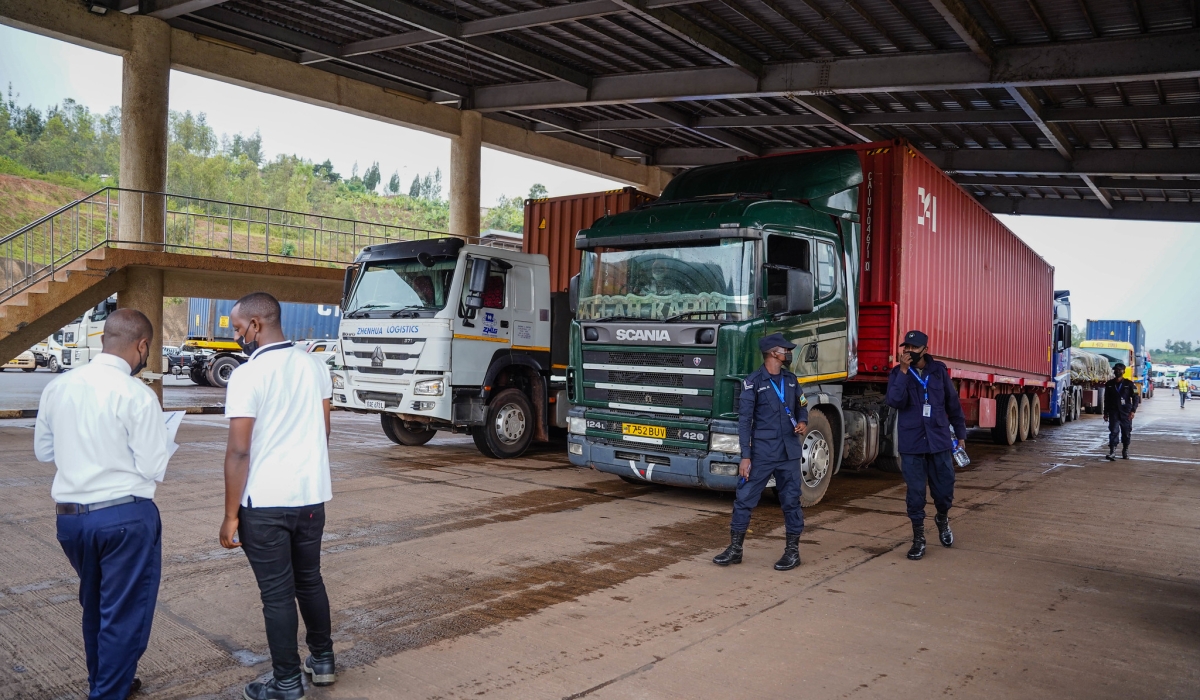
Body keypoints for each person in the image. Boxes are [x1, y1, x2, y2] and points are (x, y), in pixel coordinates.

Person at [34, 309, 170, 699]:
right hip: (125, 518)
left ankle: (108, 682)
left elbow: (45, 453)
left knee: (95, 606)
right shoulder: (137, 395)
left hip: (72, 520)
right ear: (142, 346)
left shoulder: (58, 387)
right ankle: (107, 692)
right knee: (124, 615)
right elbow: (152, 466)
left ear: (103, 339)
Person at [218, 292, 336, 700]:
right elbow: (323, 432)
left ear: (256, 324)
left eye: (238, 328)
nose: (237, 336)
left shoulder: (248, 374)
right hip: (310, 498)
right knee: (309, 580)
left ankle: (286, 682)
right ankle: (322, 661)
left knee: (277, 594)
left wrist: (230, 514)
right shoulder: (314, 365)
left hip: (265, 504)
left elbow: (238, 450)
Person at [712, 333, 808, 571]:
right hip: (762, 453)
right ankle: (735, 550)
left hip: (789, 453)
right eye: (785, 349)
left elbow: (802, 407)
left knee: (791, 501)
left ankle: (792, 552)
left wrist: (803, 421)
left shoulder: (792, 380)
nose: (788, 353)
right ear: (773, 353)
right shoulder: (753, 382)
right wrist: (745, 456)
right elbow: (744, 421)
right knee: (744, 500)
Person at [885, 330, 968, 561]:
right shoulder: (898, 373)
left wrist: (960, 434)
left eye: (913, 347)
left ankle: (942, 517)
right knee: (916, 494)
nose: (908, 351)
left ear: (925, 350)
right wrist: (902, 372)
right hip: (912, 444)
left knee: (944, 492)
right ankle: (918, 539)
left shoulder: (939, 372)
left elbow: (953, 404)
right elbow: (894, 401)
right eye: (906, 347)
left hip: (939, 441)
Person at [1103, 363, 1139, 460]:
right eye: (1116, 370)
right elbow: (1106, 399)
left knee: (1126, 432)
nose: (1117, 371)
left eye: (1119, 370)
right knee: (1114, 432)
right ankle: (1112, 452)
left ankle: (1125, 450)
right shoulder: (1109, 384)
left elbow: (1136, 397)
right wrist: (1105, 413)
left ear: (1124, 371)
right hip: (1114, 412)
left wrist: (1133, 411)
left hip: (1126, 413)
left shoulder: (1130, 384)